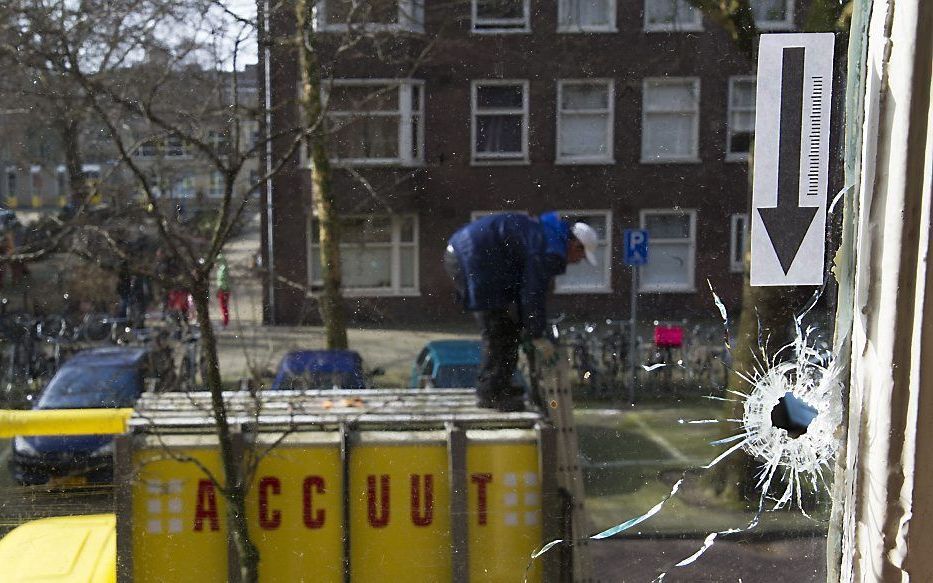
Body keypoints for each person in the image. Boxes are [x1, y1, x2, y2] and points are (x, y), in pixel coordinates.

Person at [445, 212, 598, 412]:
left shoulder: (545, 238)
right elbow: (533, 293)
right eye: (581, 256)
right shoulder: (548, 248)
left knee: (509, 326)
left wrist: (530, 326)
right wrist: (536, 333)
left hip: (471, 255)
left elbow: (526, 293)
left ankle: (500, 386)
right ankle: (490, 393)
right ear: (575, 245)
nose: (578, 262)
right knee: (499, 329)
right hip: (471, 257)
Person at [215, 253, 231, 328]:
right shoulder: (223, 268)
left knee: (223, 306)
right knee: (224, 307)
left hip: (223, 291)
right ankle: (225, 321)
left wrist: (219, 290)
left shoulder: (222, 270)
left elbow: (222, 282)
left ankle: (225, 322)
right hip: (225, 290)